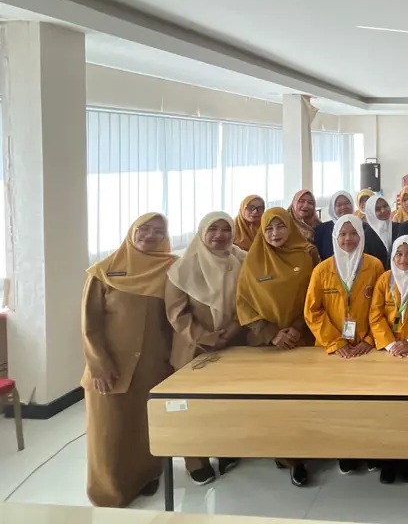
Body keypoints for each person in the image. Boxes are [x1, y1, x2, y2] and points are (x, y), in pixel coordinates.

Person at [82, 213, 176, 507]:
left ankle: (147, 476)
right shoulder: (103, 271)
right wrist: (99, 365)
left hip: (152, 366)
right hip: (111, 368)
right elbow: (90, 325)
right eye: (144, 229)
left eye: (158, 231)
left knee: (144, 428)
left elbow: (174, 320)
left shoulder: (171, 269)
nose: (150, 236)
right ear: (131, 232)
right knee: (108, 433)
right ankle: (108, 494)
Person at [236, 207, 317, 487]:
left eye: (280, 226)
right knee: (278, 404)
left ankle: (312, 449)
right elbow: (243, 303)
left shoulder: (306, 255)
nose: (275, 233)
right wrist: (272, 334)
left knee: (305, 401)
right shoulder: (253, 260)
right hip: (268, 346)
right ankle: (290, 458)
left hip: (303, 339)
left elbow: (315, 294)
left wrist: (297, 328)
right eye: (269, 228)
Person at [165, 212, 246, 485]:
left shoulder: (241, 260)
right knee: (193, 406)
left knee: (226, 404)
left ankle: (226, 449)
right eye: (213, 229)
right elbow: (177, 313)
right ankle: (195, 461)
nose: (220, 235)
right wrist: (207, 338)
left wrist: (230, 333)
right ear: (201, 232)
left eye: (226, 229)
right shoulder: (182, 268)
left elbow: (248, 302)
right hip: (193, 349)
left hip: (233, 344)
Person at [304, 215, 385, 475]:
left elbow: (382, 306)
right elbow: (312, 311)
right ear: (335, 237)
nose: (348, 239)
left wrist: (370, 339)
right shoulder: (322, 270)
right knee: (338, 405)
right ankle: (345, 452)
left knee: (368, 405)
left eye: (354, 234)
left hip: (366, 350)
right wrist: (335, 342)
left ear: (361, 236)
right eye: (343, 234)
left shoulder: (374, 266)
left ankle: (370, 450)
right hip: (333, 351)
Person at [369, 234, 408, 484]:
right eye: (399, 254)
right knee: (387, 410)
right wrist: (391, 344)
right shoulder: (385, 278)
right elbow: (375, 315)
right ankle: (388, 458)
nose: (404, 259)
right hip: (389, 353)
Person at [313, 190, 389, 269]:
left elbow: (378, 254)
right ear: (333, 208)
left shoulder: (365, 228)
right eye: (339, 205)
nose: (343, 207)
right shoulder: (322, 230)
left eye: (347, 203)